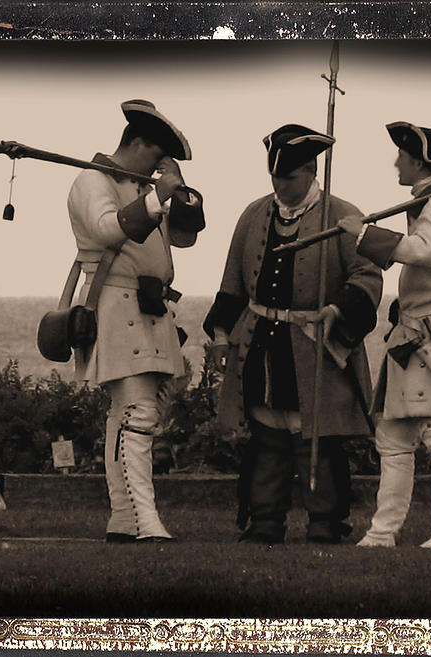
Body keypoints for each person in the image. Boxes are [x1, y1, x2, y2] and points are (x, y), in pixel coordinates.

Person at [203, 123, 382, 544]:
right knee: (267, 435)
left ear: (311, 170)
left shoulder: (342, 216)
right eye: (275, 177)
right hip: (261, 341)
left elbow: (368, 277)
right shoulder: (253, 213)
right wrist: (221, 334)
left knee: (314, 437)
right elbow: (231, 282)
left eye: (289, 177)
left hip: (316, 343)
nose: (280, 185)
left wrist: (337, 309)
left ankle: (323, 521)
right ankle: (265, 519)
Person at [337, 122, 431, 549]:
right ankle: (383, 532)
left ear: (420, 161)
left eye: (401, 156)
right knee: (394, 435)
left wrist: (363, 235)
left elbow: (422, 252)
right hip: (421, 329)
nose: (395, 162)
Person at [67, 99, 204, 543]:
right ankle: (145, 521)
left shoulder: (140, 185)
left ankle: (125, 520)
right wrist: (155, 196)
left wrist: (176, 192)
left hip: (150, 308)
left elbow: (185, 236)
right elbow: (108, 229)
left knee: (128, 416)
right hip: (116, 305)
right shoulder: (92, 181)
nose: (159, 167)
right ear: (138, 143)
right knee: (137, 413)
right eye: (155, 157)